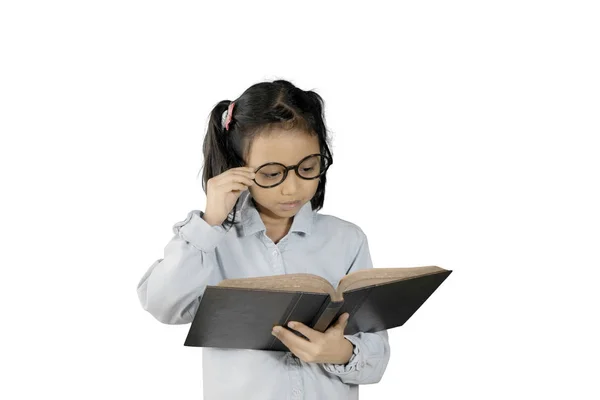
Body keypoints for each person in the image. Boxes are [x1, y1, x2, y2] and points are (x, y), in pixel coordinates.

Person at [136, 79, 390, 399]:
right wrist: (210, 222)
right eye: (272, 174)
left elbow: (377, 357)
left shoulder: (346, 240)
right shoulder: (211, 242)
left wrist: (339, 351)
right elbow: (163, 305)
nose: (292, 188)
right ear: (237, 168)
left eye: (308, 167)